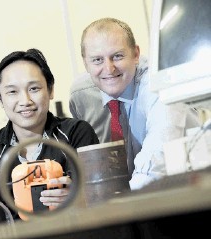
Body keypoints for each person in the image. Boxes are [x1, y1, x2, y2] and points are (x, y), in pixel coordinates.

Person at [0, 48, 99, 220]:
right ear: (0, 99)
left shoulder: (76, 134)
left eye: (34, 88)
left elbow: (101, 196)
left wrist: (76, 199)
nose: (25, 101)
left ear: (50, 90)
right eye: (12, 92)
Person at [69, 17, 201, 190]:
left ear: (136, 54)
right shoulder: (81, 96)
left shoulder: (158, 85)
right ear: (85, 63)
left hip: (188, 187)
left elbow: (156, 162)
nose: (109, 69)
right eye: (97, 60)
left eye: (117, 56)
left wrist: (122, 207)